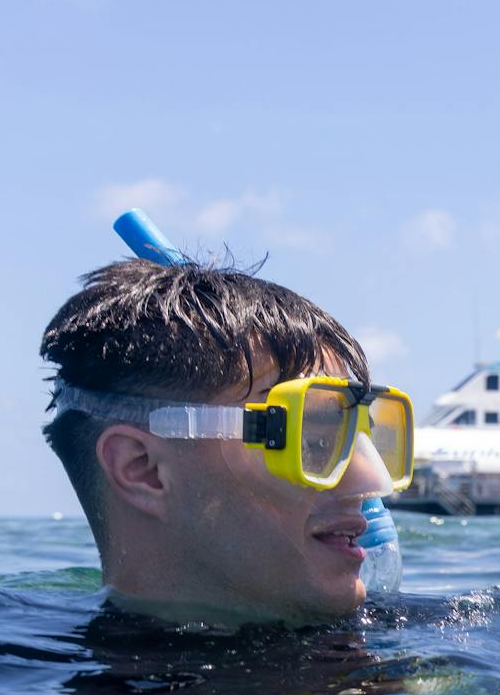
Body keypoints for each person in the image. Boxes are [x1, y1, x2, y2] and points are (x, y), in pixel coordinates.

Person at [40, 258, 413, 624]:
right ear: (143, 469)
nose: (370, 483)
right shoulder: (3, 661)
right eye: (313, 441)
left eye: (361, 436)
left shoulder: (445, 639)